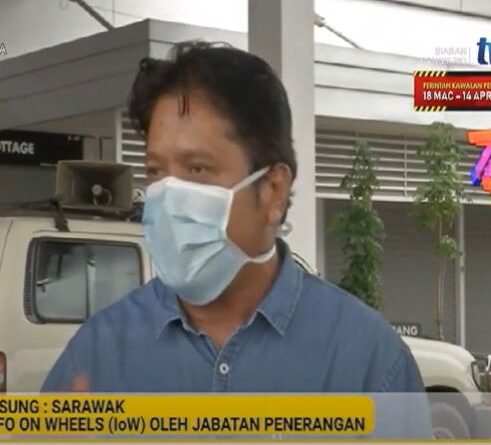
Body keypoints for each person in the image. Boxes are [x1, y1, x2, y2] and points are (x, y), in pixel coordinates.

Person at [42, 41, 430, 438]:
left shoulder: (368, 361)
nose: (168, 196)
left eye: (197, 169)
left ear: (274, 191)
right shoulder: (98, 354)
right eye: (156, 172)